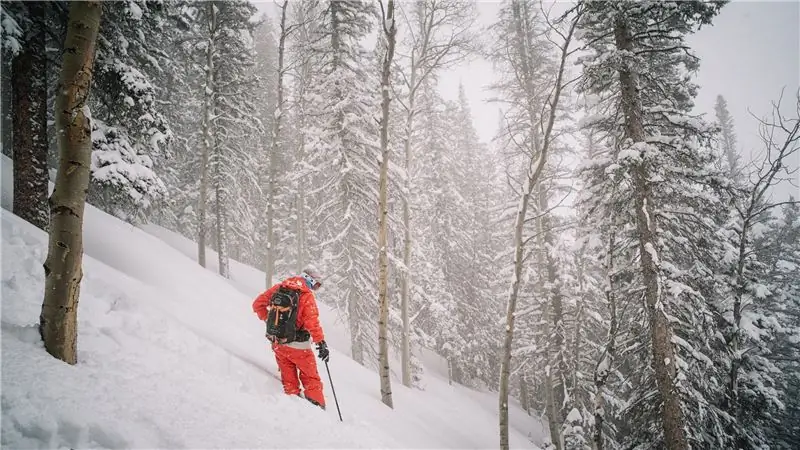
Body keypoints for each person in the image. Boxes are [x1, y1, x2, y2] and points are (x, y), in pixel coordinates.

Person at [252, 265, 330, 410]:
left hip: (279, 344)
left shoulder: (279, 288)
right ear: (310, 280)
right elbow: (312, 322)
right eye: (317, 284)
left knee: (289, 381)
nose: (316, 288)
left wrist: (270, 321)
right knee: (310, 378)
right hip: (299, 347)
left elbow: (257, 304)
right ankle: (318, 410)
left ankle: (293, 407)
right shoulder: (306, 296)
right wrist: (321, 343)